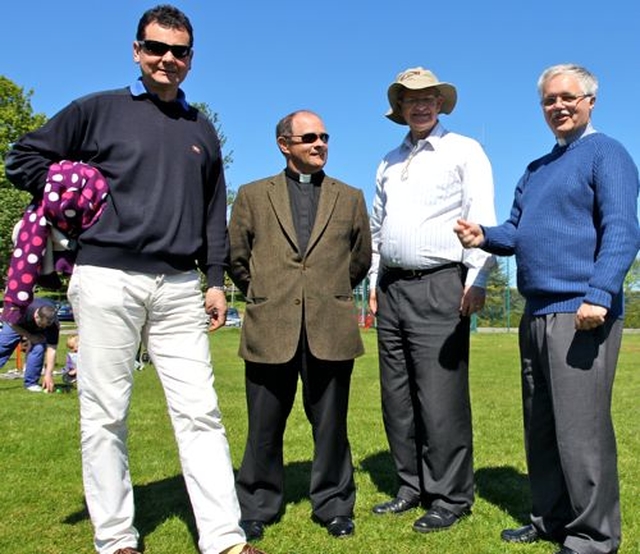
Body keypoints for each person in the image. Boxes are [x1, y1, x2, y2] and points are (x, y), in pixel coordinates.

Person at [4, 5, 266, 554]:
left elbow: (213, 212)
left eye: (179, 51)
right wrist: (67, 191)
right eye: (156, 48)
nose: (167, 59)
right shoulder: (97, 110)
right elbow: (22, 156)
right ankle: (116, 537)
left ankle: (223, 538)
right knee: (105, 413)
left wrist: (215, 280)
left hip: (177, 287)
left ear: (191, 59)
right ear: (136, 51)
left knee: (200, 412)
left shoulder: (202, 131)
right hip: (105, 276)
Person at [455, 64, 640, 554]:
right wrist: (485, 236)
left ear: (590, 101)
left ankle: (594, 537)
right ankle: (550, 519)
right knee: (542, 425)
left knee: (581, 429)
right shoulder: (536, 170)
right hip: (535, 313)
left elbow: (622, 229)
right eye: (548, 100)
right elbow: (516, 232)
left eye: (567, 97)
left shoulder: (608, 155)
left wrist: (599, 294)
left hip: (581, 312)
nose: (558, 106)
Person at [228, 109, 372, 540]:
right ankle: (256, 504)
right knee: (263, 426)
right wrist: (270, 293)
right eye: (309, 137)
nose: (319, 144)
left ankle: (334, 505)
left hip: (330, 327)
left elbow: (359, 260)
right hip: (271, 326)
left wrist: (323, 294)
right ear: (283, 144)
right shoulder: (253, 195)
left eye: (325, 137)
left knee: (331, 425)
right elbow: (238, 257)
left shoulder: (349, 197)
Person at [368, 67, 496, 533]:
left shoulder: (465, 150)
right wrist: (373, 286)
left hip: (442, 283)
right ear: (399, 108)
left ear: (440, 103)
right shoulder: (386, 161)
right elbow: (378, 230)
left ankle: (450, 495)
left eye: (428, 98)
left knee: (440, 397)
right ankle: (410, 486)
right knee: (397, 395)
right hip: (391, 288)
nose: (419, 106)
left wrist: (477, 276)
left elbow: (480, 215)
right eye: (410, 99)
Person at [0, 298, 59, 392]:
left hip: (29, 322)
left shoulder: (52, 323)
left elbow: (52, 349)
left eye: (46, 326)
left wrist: (48, 374)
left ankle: (31, 384)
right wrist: (30, 336)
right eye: (41, 324)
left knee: (39, 347)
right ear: (36, 316)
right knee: (3, 346)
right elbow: (11, 323)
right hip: (15, 323)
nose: (43, 328)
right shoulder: (24, 309)